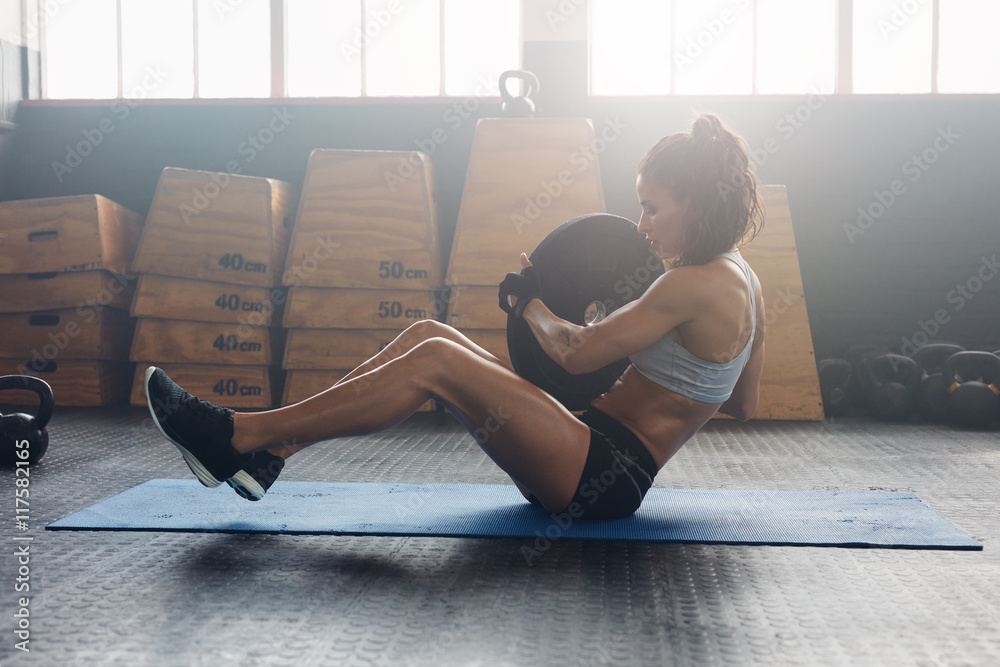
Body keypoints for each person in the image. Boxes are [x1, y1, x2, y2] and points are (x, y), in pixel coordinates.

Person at [144, 113, 765, 520]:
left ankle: (238, 437)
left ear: (698, 203)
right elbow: (742, 405)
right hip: (589, 448)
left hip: (599, 473)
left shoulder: (688, 284)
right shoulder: (746, 282)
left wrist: (531, 304)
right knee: (429, 335)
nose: (641, 226)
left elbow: (577, 352)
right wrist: (672, 389)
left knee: (437, 361)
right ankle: (272, 451)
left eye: (653, 209)